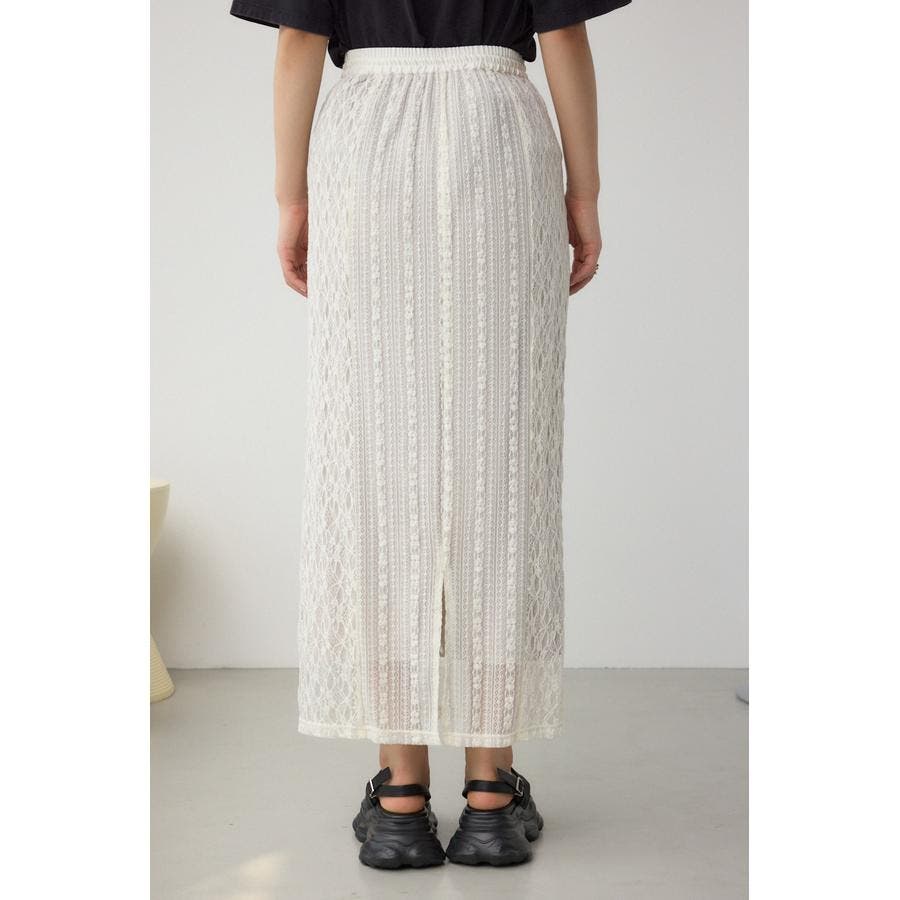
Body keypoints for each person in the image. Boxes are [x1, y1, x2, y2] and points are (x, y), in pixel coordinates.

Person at [230, 0, 630, 869]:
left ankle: (401, 802)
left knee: (380, 452)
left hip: (368, 144)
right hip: (499, 135)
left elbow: (299, 41)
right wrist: (585, 192)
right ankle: (489, 798)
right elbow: (564, 35)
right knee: (501, 458)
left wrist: (291, 197)